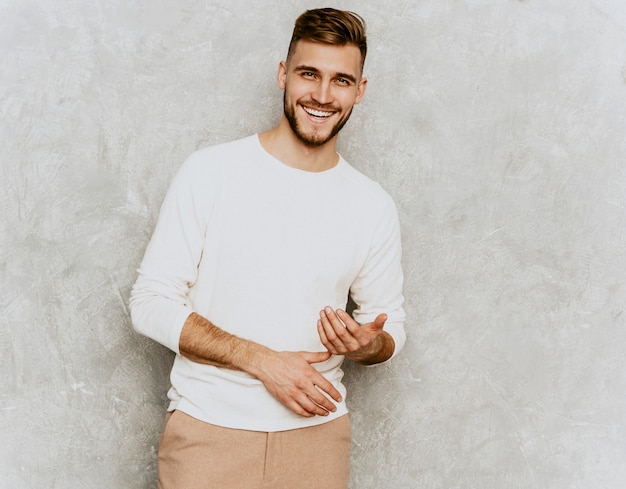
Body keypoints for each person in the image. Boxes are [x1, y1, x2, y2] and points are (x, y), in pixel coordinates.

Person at [129, 7, 406, 489]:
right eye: (308, 74)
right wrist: (262, 361)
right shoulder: (210, 172)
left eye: (341, 80)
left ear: (360, 91)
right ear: (283, 74)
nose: (322, 95)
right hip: (208, 433)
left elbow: (390, 322)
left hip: (317, 437)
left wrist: (370, 344)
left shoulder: (372, 205)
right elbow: (149, 304)